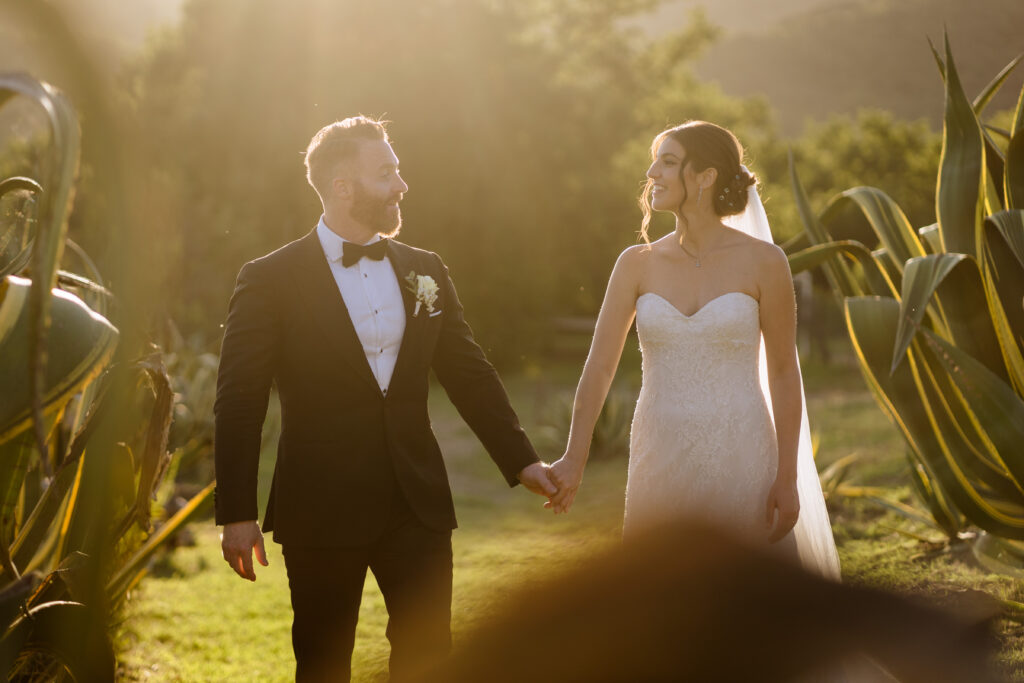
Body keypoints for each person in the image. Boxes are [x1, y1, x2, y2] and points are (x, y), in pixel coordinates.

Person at [213, 115, 557, 682]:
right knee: (323, 663)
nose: (402, 185)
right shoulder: (269, 279)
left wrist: (522, 460)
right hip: (319, 507)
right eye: (386, 173)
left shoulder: (426, 271)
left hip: (415, 503)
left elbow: (468, 372)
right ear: (343, 187)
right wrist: (237, 513)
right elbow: (240, 399)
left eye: (398, 170)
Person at [547, 120, 840, 578]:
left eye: (668, 162)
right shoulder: (635, 264)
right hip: (659, 452)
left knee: (744, 597)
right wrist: (573, 459)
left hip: (742, 452)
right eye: (654, 161)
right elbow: (600, 367)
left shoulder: (766, 263)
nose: (651, 173)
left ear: (706, 177)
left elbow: (784, 372)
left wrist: (787, 476)